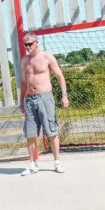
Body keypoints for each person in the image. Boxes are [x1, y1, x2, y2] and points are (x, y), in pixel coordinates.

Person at [19, 32, 69, 176]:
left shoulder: (47, 57)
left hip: (45, 97)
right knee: (30, 133)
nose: (27, 47)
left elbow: (60, 76)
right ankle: (32, 164)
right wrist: (21, 101)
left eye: (29, 44)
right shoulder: (24, 61)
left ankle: (57, 162)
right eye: (25, 44)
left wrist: (64, 96)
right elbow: (23, 82)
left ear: (36, 42)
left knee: (51, 131)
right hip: (30, 99)